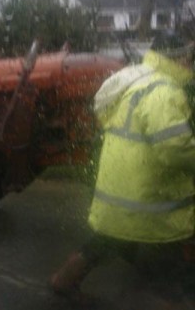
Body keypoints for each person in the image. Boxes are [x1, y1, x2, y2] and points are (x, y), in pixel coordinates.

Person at [49, 31, 195, 305]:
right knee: (172, 267)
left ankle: (62, 281)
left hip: (118, 192)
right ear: (180, 59)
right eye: (190, 58)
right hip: (148, 200)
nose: (191, 64)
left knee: (103, 243)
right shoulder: (164, 91)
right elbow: (175, 150)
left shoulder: (138, 80)